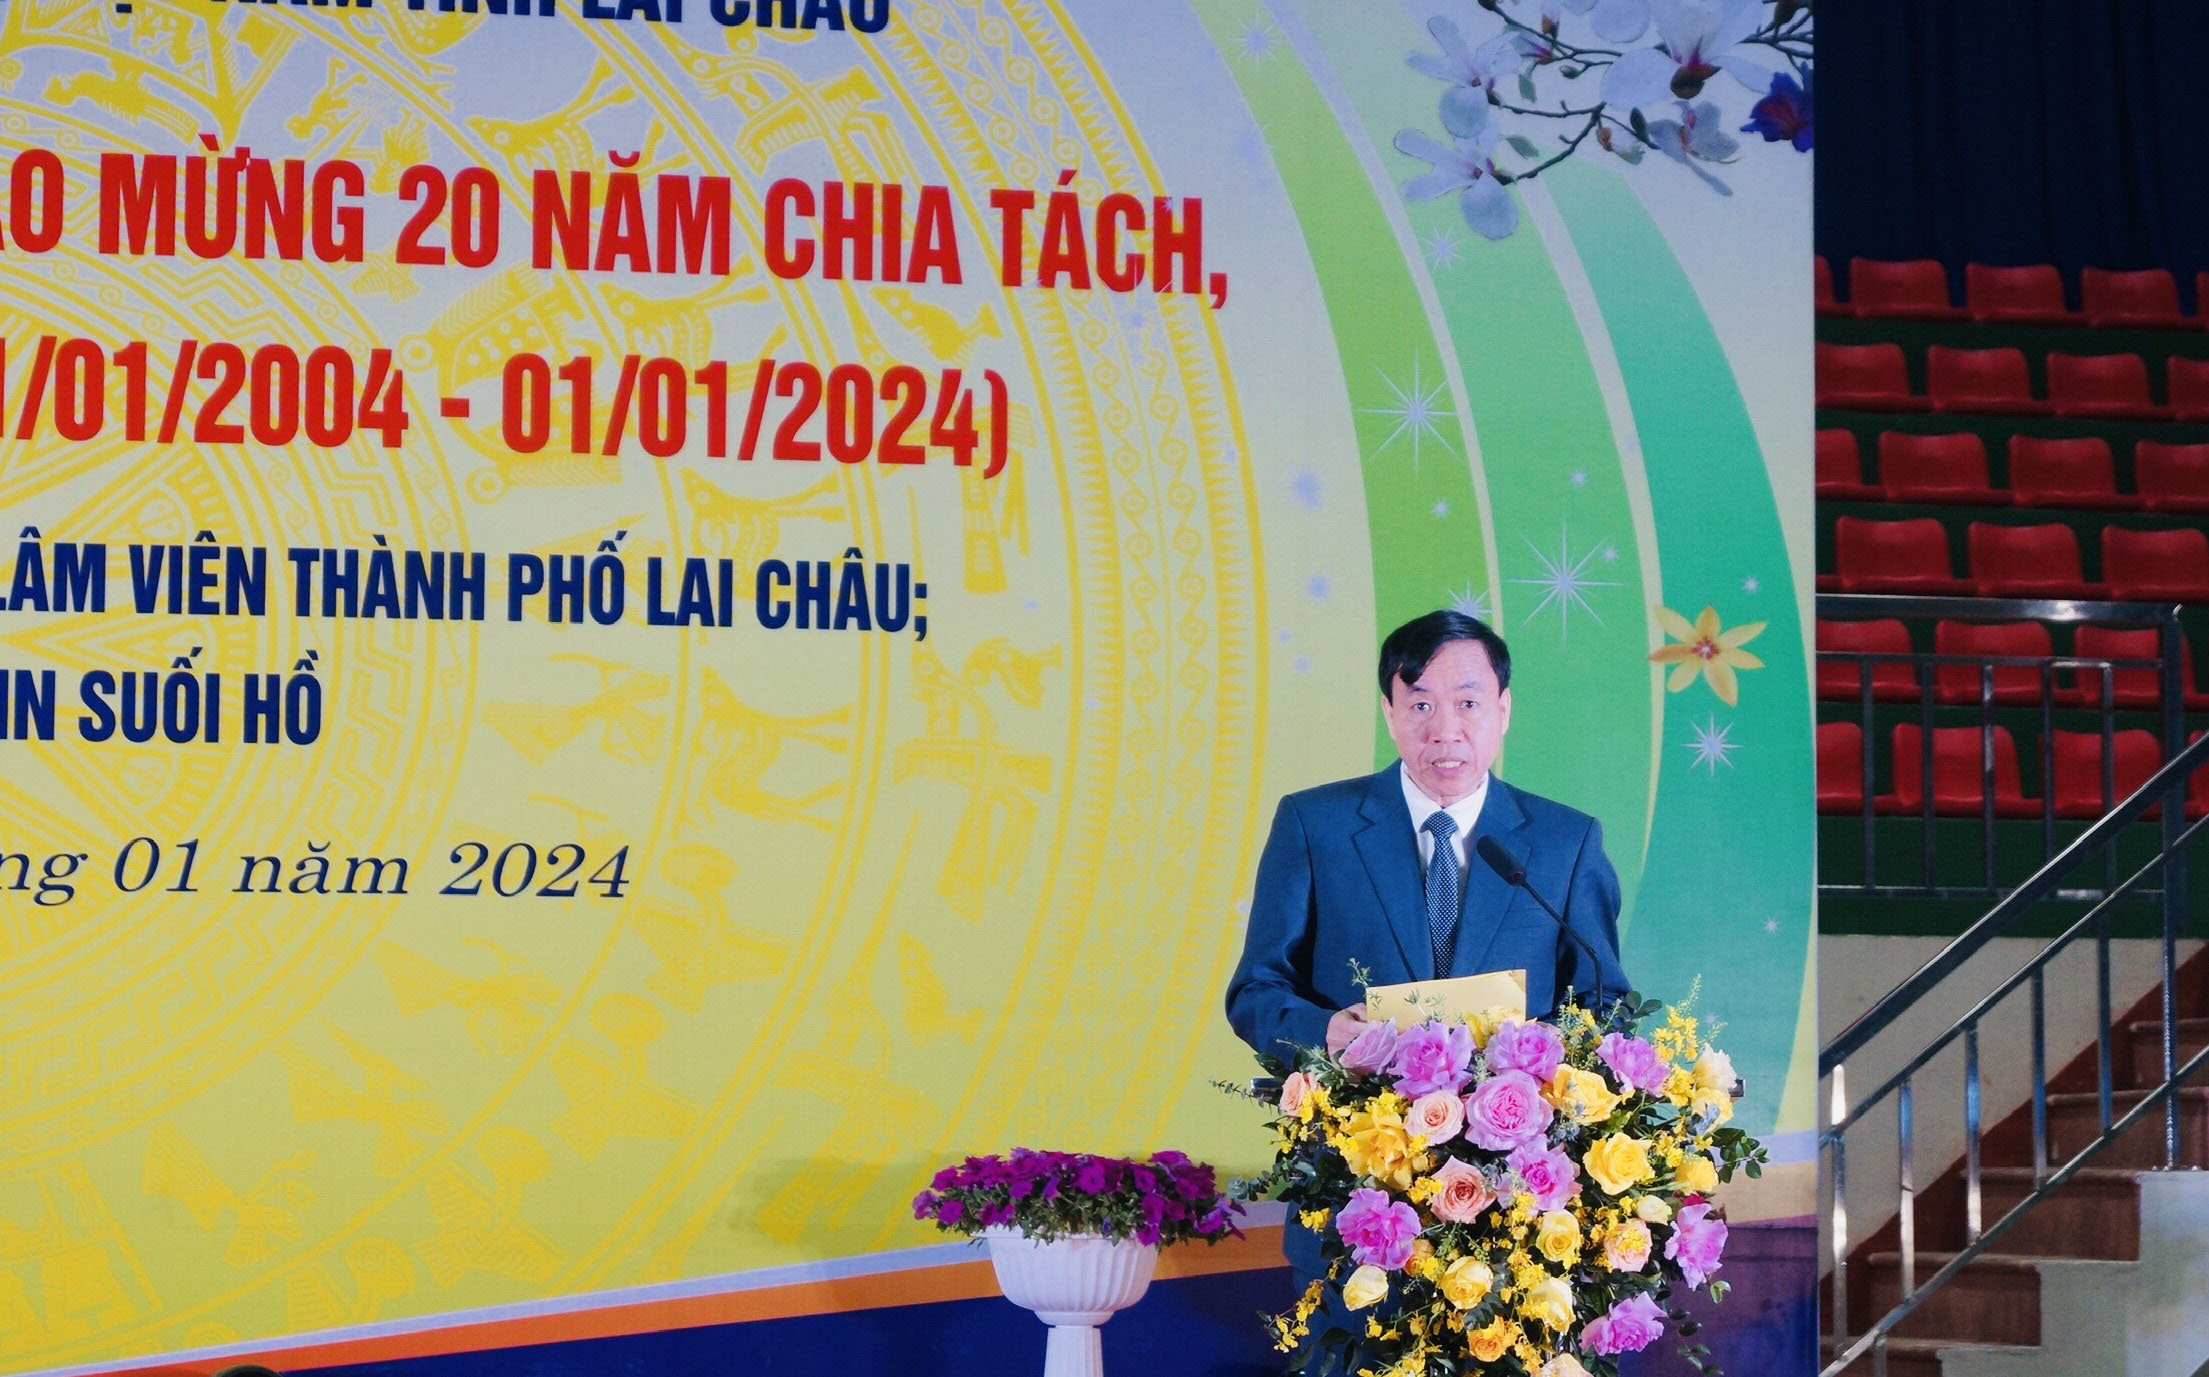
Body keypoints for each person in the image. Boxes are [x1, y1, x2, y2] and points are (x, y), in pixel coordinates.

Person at [1226, 606, 1631, 1066]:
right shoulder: (1314, 825)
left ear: (1503, 711)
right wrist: (1323, 1031)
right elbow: (1255, 991)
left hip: (1514, 1111)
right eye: (1421, 706)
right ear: (1389, 714)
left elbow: (1607, 1002)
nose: (1444, 731)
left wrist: (1548, 1051)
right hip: (1355, 1107)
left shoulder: (1566, 842)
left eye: (1468, 704)